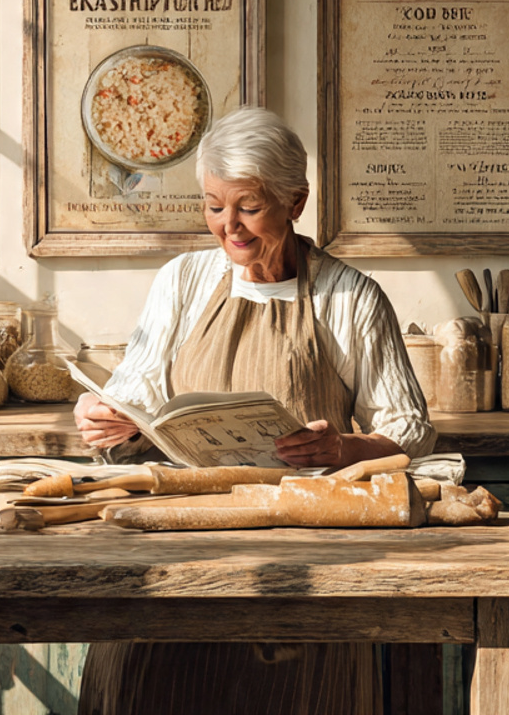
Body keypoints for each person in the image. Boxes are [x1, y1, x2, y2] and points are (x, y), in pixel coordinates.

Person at [74, 106, 435, 715]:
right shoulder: (182, 281)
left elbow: (411, 429)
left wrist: (347, 448)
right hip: (184, 543)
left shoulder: (350, 297)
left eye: (249, 207)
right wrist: (109, 421)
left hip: (306, 549)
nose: (229, 228)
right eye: (214, 206)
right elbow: (132, 400)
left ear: (296, 201)